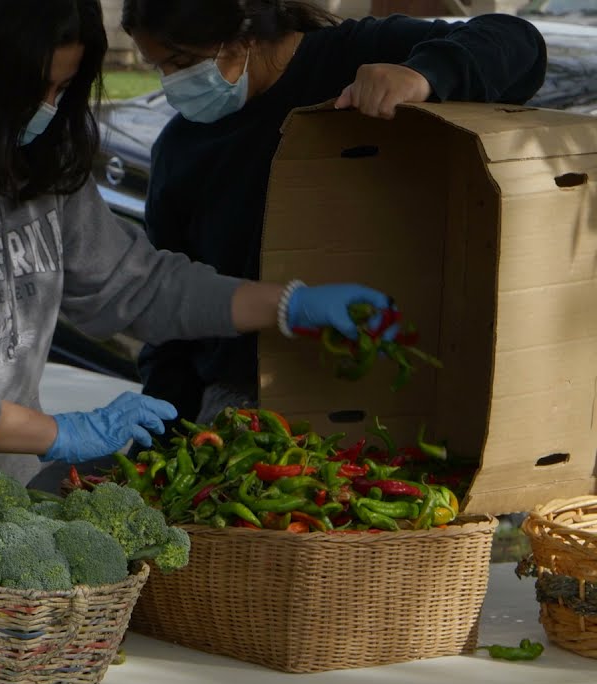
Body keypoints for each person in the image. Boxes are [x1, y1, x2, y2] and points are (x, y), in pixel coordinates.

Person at [0, 0, 400, 496]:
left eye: (61, 90)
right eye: (32, 90)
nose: (48, 109)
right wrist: (63, 433)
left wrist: (285, 305)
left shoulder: (31, 148)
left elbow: (129, 282)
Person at [121, 0, 548, 426]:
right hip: (244, 406)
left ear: (245, 31)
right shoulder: (182, 148)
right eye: (159, 68)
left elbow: (518, 42)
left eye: (182, 62)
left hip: (393, 398)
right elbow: (170, 308)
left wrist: (424, 75)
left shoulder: (355, 54)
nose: (173, 84)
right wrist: (165, 426)